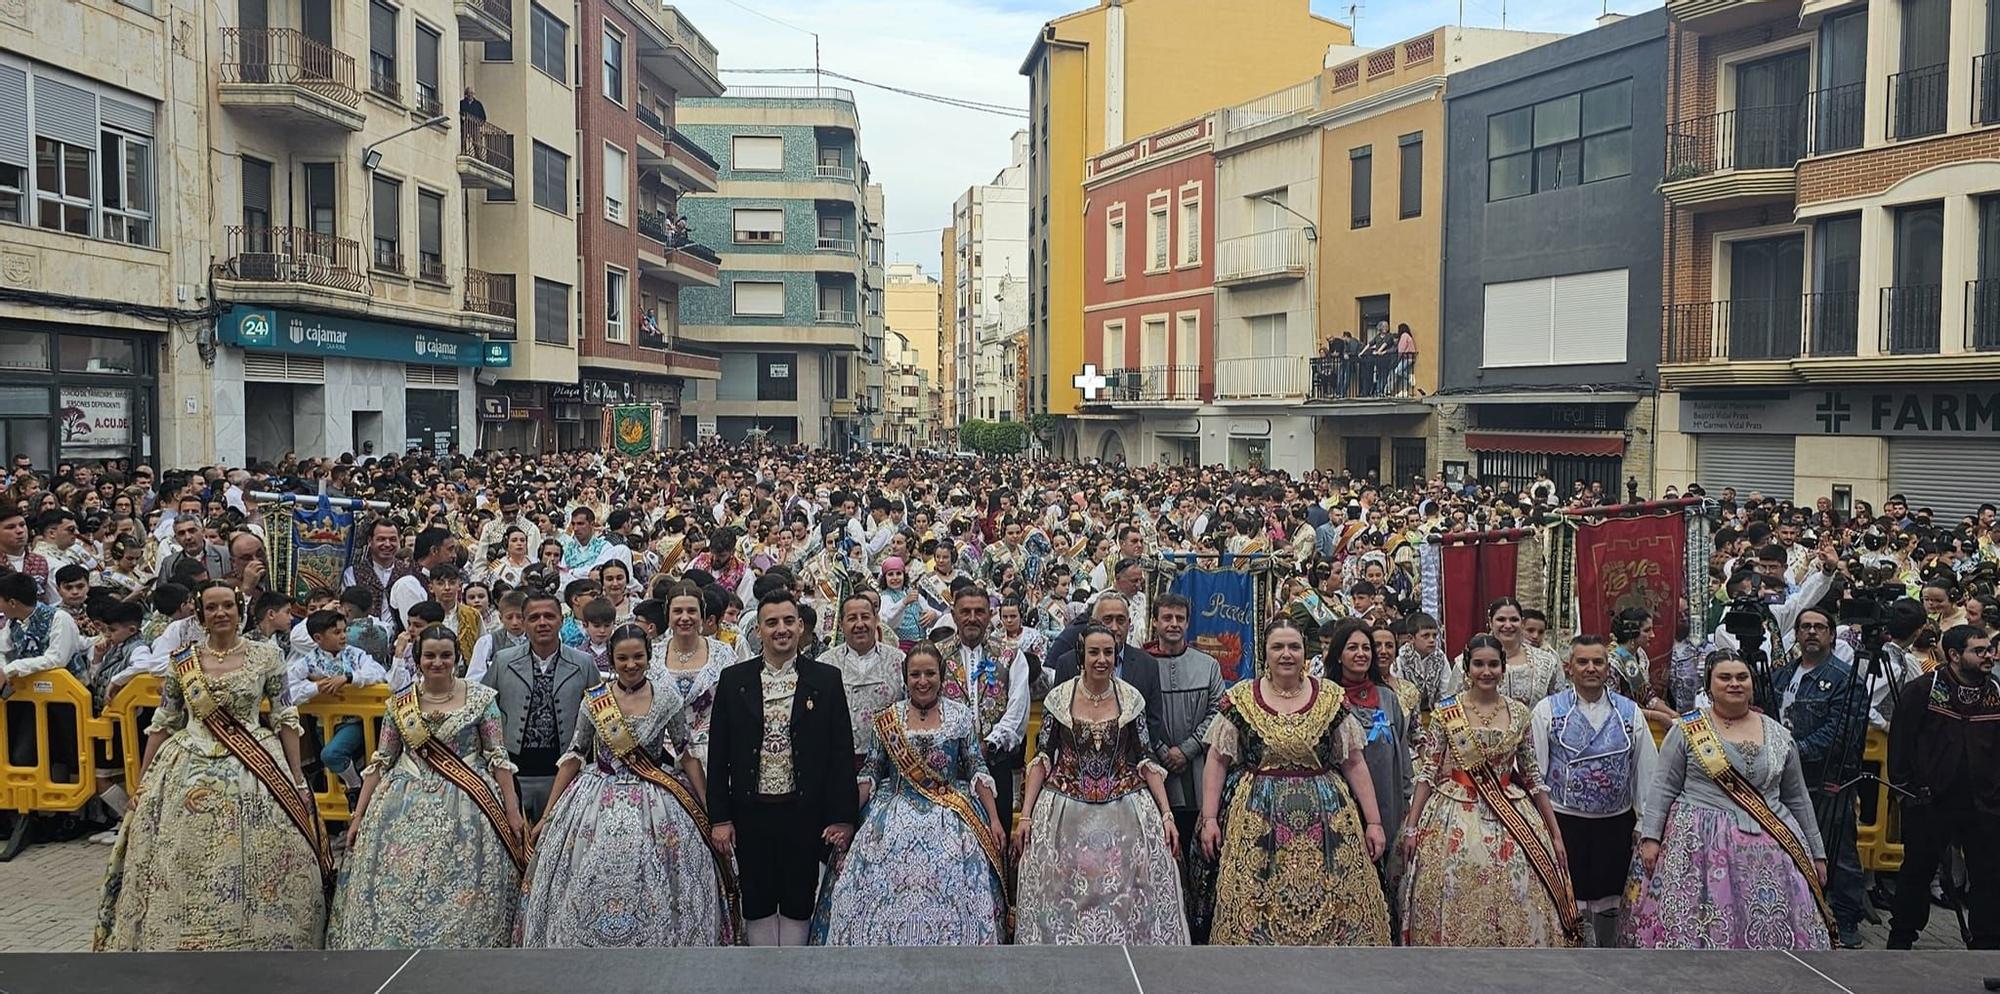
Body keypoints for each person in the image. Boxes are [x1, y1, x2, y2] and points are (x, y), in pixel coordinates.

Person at [96, 582, 330, 951]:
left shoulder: (266, 656)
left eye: (228, 606)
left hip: (257, 766)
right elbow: (164, 722)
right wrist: (140, 785)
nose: (220, 613)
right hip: (186, 763)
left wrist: (298, 780)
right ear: (201, 615)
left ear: (240, 611)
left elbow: (286, 717)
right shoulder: (182, 661)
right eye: (211, 607)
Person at [519, 625, 737, 947]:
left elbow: (685, 753)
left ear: (649, 657)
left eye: (638, 657)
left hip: (657, 797)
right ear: (611, 659)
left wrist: (709, 807)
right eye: (622, 658)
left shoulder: (666, 697)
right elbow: (574, 755)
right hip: (596, 798)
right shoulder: (596, 701)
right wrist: (549, 815)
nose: (631, 664)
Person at [1198, 618, 1391, 945]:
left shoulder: (1330, 696)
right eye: (1278, 647)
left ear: (1305, 652)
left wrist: (1373, 822)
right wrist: (1210, 818)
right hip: (1257, 818)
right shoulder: (1242, 698)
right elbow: (1217, 760)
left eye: (1294, 647)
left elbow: (1354, 761)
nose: (1286, 654)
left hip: (1326, 819)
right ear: (1265, 653)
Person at [329, 626, 524, 949]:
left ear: (457, 658)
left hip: (470, 804)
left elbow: (497, 756)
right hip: (401, 806)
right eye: (429, 655)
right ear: (418, 660)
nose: (437, 662)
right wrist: (359, 815)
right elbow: (382, 761)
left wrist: (512, 810)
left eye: (445, 655)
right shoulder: (400, 704)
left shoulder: (481, 700)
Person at [1624, 651, 1833, 950]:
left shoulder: (1778, 733)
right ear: (1709, 687)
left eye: (1741, 677)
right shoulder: (1687, 729)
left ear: (1752, 684)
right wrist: (1651, 838)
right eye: (1725, 677)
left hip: (1773, 846)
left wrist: (1817, 853)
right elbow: (1662, 787)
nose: (1734, 683)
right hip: (1698, 847)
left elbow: (1797, 797)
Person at [817, 643, 1007, 946]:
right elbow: (871, 771)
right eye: (915, 674)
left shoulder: (960, 716)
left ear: (941, 676)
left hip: (951, 814)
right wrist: (846, 816)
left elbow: (976, 767)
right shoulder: (888, 718)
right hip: (891, 811)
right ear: (905, 678)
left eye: (930, 673)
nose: (923, 681)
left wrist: (994, 820)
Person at [1013, 624, 1188, 945]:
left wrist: (1166, 815)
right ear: (1082, 655)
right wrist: (1025, 816)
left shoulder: (1130, 698)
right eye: (1094, 652)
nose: (1102, 659)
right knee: (1061, 895)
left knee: (1127, 895)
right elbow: (1042, 758)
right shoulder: (1059, 698)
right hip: (1065, 812)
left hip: (1124, 810)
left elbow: (1146, 759)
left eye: (1108, 652)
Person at [1400, 633, 1579, 947]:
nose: (1486, 671)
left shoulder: (1520, 713)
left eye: (1493, 664)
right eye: (1479, 664)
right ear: (1467, 668)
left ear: (1503, 667)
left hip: (1513, 814)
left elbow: (1534, 777)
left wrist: (1555, 834)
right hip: (1454, 813)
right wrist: (1412, 827)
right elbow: (1427, 773)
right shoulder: (1446, 713)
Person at [707, 590, 859, 947]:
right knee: (757, 900)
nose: (781, 630)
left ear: (801, 626)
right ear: (758, 629)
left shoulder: (825, 679)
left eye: (789, 621)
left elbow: (841, 752)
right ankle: (763, 980)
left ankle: (794, 978)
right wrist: (720, 818)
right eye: (772, 622)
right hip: (750, 810)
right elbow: (719, 755)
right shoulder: (734, 680)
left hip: (804, 810)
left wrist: (843, 816)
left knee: (798, 898)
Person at [1529, 635, 1658, 947]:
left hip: (1615, 824)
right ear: (1568, 667)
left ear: (1607, 668)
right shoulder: (1547, 711)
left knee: (1613, 902)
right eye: (1583, 662)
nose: (1591, 668)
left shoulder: (1630, 712)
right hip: (1564, 823)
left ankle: (1611, 961)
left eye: (1598, 662)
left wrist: (1645, 824)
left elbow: (1647, 772)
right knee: (1569, 901)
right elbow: (1536, 773)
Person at [1886, 624, 2000, 949]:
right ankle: (1901, 938)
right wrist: (1907, 789)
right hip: (1930, 801)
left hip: (1984, 804)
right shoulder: (1922, 690)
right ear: (1953, 655)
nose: (1988, 655)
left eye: (1989, 649)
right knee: (1917, 871)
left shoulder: (1996, 693)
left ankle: (1987, 946)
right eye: (1979, 651)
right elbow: (1901, 743)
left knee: (1989, 875)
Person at [1766, 606, 1868, 947]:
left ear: (1831, 635)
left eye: (1819, 627)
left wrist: (1794, 752)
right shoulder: (1780, 675)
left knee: (1838, 849)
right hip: (1781, 777)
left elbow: (1841, 732)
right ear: (1796, 633)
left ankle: (1846, 917)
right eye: (1805, 626)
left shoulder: (1845, 677)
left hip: (1824, 775)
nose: (1811, 632)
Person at [481, 591, 596, 822]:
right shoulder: (503, 661)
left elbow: (597, 718)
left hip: (564, 774)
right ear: (523, 623)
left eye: (549, 616)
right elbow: (484, 711)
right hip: (514, 773)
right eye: (534, 618)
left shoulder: (583, 663)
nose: (542, 623)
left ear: (561, 621)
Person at [654, 582, 733, 773]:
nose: (685, 618)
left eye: (691, 611)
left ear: (701, 614)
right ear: (668, 614)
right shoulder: (652, 655)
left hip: (712, 752)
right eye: (678, 611)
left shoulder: (723, 654)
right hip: (661, 756)